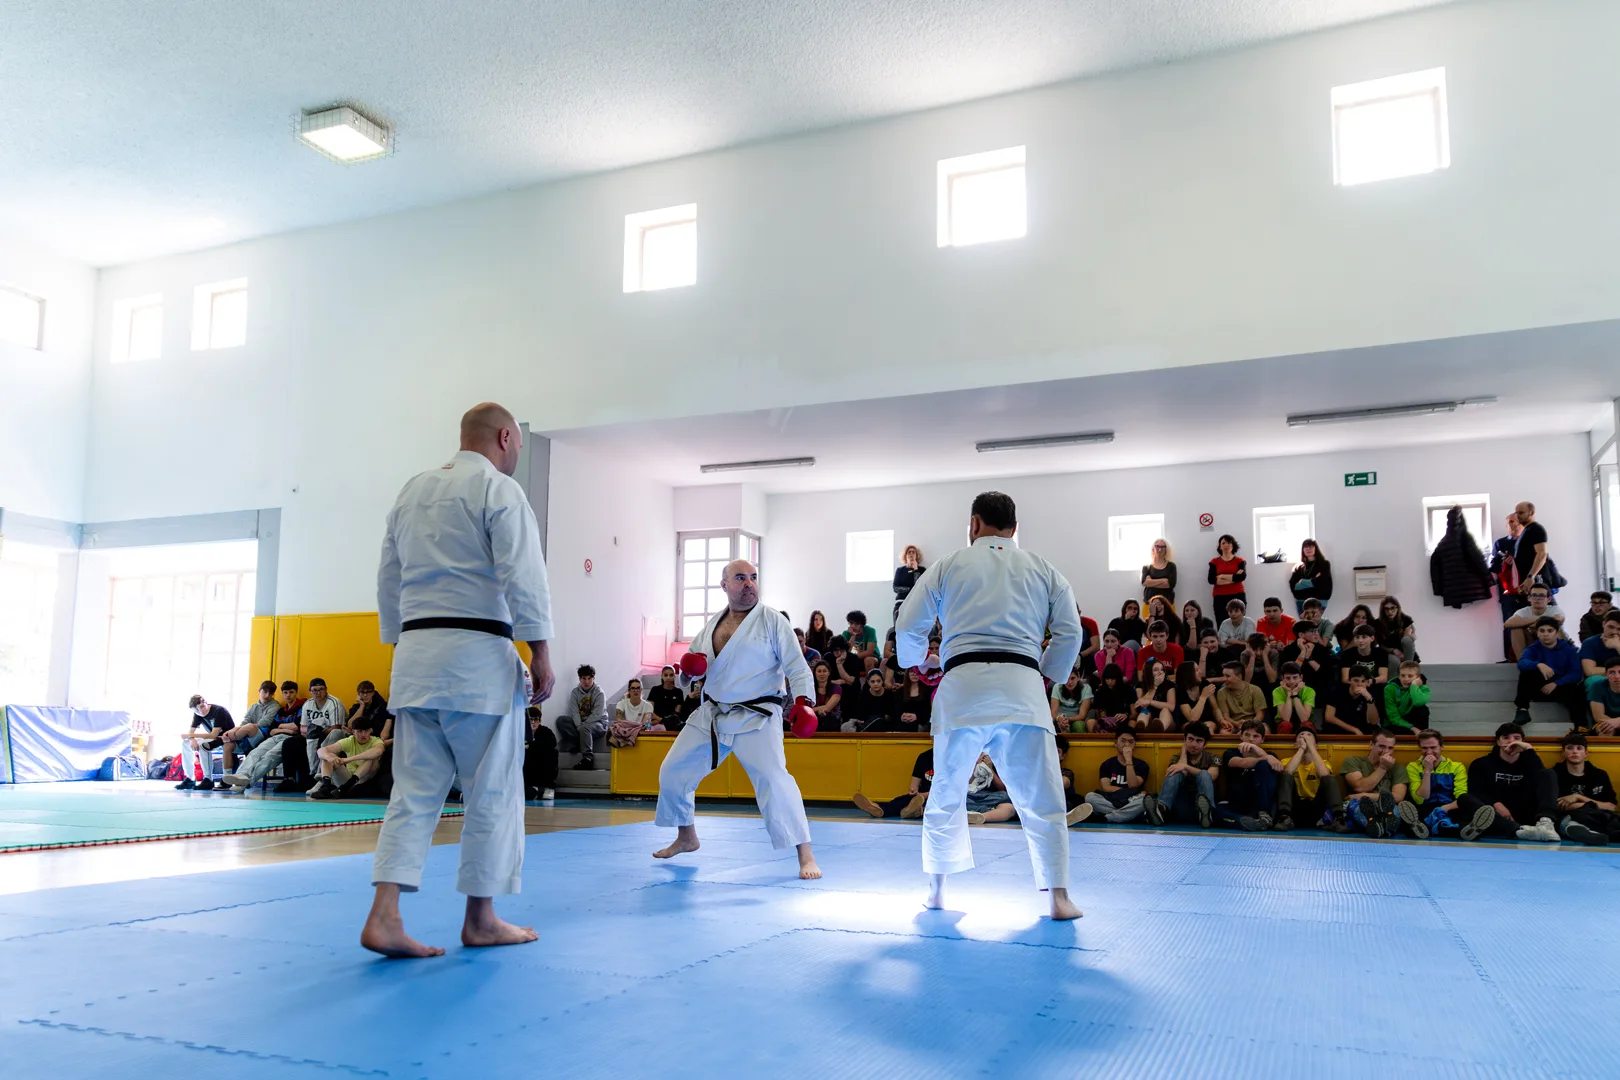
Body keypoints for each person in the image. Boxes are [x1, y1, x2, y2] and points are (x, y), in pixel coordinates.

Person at [363, 401, 555, 959]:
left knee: (412, 793)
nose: (516, 455)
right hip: (477, 661)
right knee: (491, 790)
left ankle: (385, 914)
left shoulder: (413, 490)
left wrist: (402, 646)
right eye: (518, 445)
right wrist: (541, 650)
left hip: (416, 656)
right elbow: (523, 573)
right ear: (505, 437)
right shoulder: (498, 489)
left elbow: (388, 577)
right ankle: (481, 918)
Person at [895, 490, 1084, 920]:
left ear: (974, 524)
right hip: (1022, 687)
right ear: (1014, 528)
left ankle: (937, 891)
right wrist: (1047, 672)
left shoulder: (949, 565)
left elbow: (908, 622)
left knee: (946, 791)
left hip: (963, 687)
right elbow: (1070, 631)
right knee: (1042, 795)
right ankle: (1058, 897)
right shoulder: (1043, 568)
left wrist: (915, 660)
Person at [653, 559, 822, 880]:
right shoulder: (712, 625)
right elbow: (689, 674)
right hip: (714, 713)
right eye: (741, 578)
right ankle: (686, 836)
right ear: (725, 585)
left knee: (774, 780)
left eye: (753, 577)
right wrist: (688, 671)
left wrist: (804, 702)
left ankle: (806, 854)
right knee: (673, 769)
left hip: (758, 716)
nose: (749, 584)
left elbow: (797, 666)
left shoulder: (772, 621)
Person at [1464, 724, 1561, 842]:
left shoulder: (1530, 762)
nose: (1511, 742)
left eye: (1516, 738)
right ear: (1498, 742)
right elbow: (1475, 791)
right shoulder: (1480, 764)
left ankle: (1546, 824)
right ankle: (1518, 831)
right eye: (1506, 738)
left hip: (1526, 812)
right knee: (1464, 799)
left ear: (1523, 742)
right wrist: (1495, 803)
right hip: (1496, 815)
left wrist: (1528, 749)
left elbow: (1542, 780)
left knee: (1548, 773)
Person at [1406, 729, 1495, 841]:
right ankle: (1446, 828)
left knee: (1466, 804)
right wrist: (1427, 771)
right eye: (1424, 748)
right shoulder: (1413, 767)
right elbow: (1420, 799)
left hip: (1450, 807)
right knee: (1414, 817)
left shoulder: (1456, 767)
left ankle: (1438, 828)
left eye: (1433, 747)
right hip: (1426, 807)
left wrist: (1444, 808)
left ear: (1441, 746)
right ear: (1419, 748)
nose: (1429, 752)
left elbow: (1461, 797)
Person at [219, 683, 305, 793]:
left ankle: (246, 783)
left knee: (269, 757)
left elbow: (296, 728)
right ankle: (241, 775)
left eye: (291, 692)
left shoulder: (302, 708)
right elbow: (272, 730)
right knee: (255, 752)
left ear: (296, 693)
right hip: (274, 737)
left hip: (290, 740)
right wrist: (284, 728)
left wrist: (280, 727)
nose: (288, 695)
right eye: (285, 693)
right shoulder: (281, 711)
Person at [1515, 616, 1586, 728]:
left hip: (1560, 688)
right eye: (1542, 631)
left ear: (1556, 633)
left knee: (1577, 690)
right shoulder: (1533, 649)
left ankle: (1580, 727)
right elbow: (1521, 663)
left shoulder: (1569, 650)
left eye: (1550, 631)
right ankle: (1522, 710)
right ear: (1537, 633)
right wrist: (1539, 665)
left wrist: (1556, 683)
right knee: (1526, 673)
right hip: (1540, 689)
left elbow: (1576, 673)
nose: (1546, 634)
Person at [1146, 722, 1220, 828]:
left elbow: (1212, 775)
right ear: (1184, 740)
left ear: (1205, 743)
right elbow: (1182, 771)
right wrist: (1183, 753)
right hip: (1183, 805)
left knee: (1204, 774)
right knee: (1175, 771)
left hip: (1203, 802)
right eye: (1190, 739)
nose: (1194, 744)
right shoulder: (1177, 757)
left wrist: (1186, 767)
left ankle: (1207, 814)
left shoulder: (1212, 757)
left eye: (1199, 741)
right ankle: (1161, 809)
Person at [1338, 728, 1409, 838]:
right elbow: (1359, 787)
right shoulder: (1353, 761)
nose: (1386, 751)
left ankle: (1380, 827)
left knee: (1394, 811)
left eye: (1390, 748)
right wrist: (1383, 768)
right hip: (1360, 805)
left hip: (1386, 807)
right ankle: (1379, 826)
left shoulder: (1398, 768)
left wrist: (1363, 795)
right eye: (1382, 746)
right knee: (1360, 810)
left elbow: (1398, 796)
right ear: (1371, 744)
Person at [1551, 732, 1618, 845]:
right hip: (1569, 818)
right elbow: (1558, 806)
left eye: (1579, 748)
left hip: (1598, 817)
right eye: (1570, 748)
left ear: (1586, 753)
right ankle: (1584, 833)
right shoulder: (1554, 774)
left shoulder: (1599, 775)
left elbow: (1611, 807)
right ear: (1563, 753)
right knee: (1568, 822)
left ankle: (1597, 833)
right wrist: (1593, 805)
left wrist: (1578, 797)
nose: (1575, 752)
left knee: (1611, 822)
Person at [1215, 720, 1282, 831]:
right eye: (1247, 735)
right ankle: (1245, 821)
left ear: (1262, 739)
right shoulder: (1230, 753)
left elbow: (1278, 769)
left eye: (1256, 736)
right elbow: (1241, 762)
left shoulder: (1271, 755)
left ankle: (1263, 815)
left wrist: (1259, 752)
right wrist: (1265, 757)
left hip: (1260, 804)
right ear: (1241, 736)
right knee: (1215, 811)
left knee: (1264, 765)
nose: (1251, 739)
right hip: (1237, 803)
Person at [309, 713, 390, 799]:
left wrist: (348, 759)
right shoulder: (350, 740)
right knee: (328, 756)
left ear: (371, 730)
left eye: (366, 731)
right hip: (347, 781)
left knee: (370, 758)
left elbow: (378, 751)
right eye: (359, 731)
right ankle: (326, 787)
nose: (363, 734)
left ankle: (343, 787)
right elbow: (321, 750)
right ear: (353, 731)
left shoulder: (376, 741)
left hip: (365, 782)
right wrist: (330, 758)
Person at [1275, 729, 1342, 833]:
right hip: (1295, 806)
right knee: (1285, 776)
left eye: (1309, 735)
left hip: (1316, 806)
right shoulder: (1286, 761)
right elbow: (1288, 771)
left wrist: (1311, 747)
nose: (1305, 737)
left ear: (1316, 746)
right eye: (1301, 735)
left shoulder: (1323, 763)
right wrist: (1302, 748)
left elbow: (1324, 774)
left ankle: (1339, 819)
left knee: (1329, 778)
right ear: (1295, 745)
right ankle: (1284, 818)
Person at [1429, 506, 1494, 609]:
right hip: (1474, 589)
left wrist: (1439, 590)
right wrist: (1489, 580)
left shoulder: (1443, 543)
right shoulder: (1466, 537)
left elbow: (1435, 568)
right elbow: (1478, 559)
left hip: (1453, 592)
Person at [1084, 729, 1150, 824]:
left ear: (1135, 745)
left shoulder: (1142, 765)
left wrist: (1128, 760)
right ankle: (1129, 816)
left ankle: (1106, 817)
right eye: (1123, 741)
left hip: (1131, 801)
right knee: (1090, 797)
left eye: (1131, 742)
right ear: (1116, 743)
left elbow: (1133, 785)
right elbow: (1106, 787)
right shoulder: (1107, 764)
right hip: (1112, 800)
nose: (1127, 745)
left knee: (1145, 801)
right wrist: (1127, 792)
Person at [853, 747, 933, 820]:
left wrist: (925, 795)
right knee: (901, 800)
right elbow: (914, 784)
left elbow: (941, 791)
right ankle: (879, 809)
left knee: (931, 804)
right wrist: (913, 791)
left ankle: (916, 811)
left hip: (935, 797)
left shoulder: (941, 760)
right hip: (919, 797)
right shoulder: (924, 757)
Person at [175, 695, 234, 791]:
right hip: (213, 738)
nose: (200, 711)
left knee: (203, 745)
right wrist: (192, 739)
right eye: (196, 710)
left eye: (202, 707)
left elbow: (213, 734)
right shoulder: (198, 713)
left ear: (206, 703)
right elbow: (191, 732)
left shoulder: (219, 711)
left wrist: (190, 736)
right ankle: (190, 778)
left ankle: (208, 779)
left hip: (226, 739)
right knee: (186, 743)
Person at [219, 681, 280, 774]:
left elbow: (265, 723)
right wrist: (235, 729)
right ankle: (226, 777)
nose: (267, 695)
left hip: (263, 735)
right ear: (259, 691)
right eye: (265, 692)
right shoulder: (253, 706)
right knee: (227, 746)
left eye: (271, 693)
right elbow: (245, 721)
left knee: (250, 727)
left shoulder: (275, 706)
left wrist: (237, 730)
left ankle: (221, 740)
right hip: (245, 736)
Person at [557, 665, 608, 769]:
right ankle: (580, 742)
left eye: (589, 678)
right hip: (581, 725)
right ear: (580, 679)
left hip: (598, 724)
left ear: (593, 678)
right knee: (562, 720)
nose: (587, 682)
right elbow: (575, 712)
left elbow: (597, 714)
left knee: (585, 728)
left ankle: (588, 758)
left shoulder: (599, 693)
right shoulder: (575, 692)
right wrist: (579, 726)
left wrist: (583, 726)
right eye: (584, 678)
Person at [1489, 513, 1525, 661]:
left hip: (1528, 590)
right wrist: (1505, 564)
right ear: (1506, 526)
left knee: (1531, 622)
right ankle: (1510, 658)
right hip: (1508, 592)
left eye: (1517, 522)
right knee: (1509, 623)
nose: (1514, 524)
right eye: (1511, 522)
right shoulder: (1500, 544)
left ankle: (1529, 657)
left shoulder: (1531, 543)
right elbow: (1492, 566)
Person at [299, 678, 348, 782]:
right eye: (315, 690)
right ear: (310, 691)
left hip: (333, 734)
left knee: (331, 735)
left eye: (321, 689)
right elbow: (302, 727)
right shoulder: (308, 704)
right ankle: (301, 777)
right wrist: (313, 731)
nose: (318, 693)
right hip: (311, 734)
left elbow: (336, 727)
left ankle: (322, 773)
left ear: (326, 690)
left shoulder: (334, 702)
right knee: (290, 743)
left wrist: (319, 733)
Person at [1280, 621, 1332, 698]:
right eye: (1313, 631)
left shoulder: (1322, 649)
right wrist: (1303, 652)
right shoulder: (1289, 650)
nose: (1317, 634)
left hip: (1318, 689)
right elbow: (1291, 672)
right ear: (1301, 635)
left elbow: (1326, 674)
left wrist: (1309, 658)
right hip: (1294, 689)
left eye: (1317, 631)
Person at [1213, 660, 1266, 735]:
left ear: (1239, 677)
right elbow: (1226, 716)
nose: (1224, 679)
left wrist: (1247, 727)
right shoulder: (1221, 692)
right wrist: (1237, 724)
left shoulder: (1255, 690)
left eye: (1227, 676)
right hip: (1233, 724)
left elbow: (1260, 715)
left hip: (1254, 723)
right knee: (1224, 732)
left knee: (1265, 730)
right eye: (1223, 675)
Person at [1324, 670, 1380, 737]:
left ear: (1368, 682)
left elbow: (1373, 722)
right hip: (1337, 730)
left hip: (1361, 731)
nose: (1359, 684)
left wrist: (1369, 699)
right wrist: (1354, 730)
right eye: (1356, 681)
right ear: (1349, 681)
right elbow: (1329, 717)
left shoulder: (1370, 694)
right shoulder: (1337, 691)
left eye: (1363, 681)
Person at [1336, 624, 1390, 694]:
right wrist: (1360, 684)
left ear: (1372, 638)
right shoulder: (1347, 654)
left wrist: (1370, 681)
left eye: (1364, 637)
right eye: (1357, 637)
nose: (1360, 640)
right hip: (1353, 686)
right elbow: (1345, 679)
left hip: (1372, 685)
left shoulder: (1381, 653)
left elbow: (1383, 677)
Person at [1512, 501, 1550, 596]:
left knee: (1544, 605)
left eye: (1521, 513)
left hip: (1536, 581)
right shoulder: (1526, 531)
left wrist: (1531, 577)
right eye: (1516, 513)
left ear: (1531, 513)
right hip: (1528, 581)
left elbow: (1541, 554)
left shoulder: (1536, 529)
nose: (1518, 516)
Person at [1382, 660, 1432, 733]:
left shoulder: (1425, 689)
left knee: (1423, 709)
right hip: (1395, 723)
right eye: (1402, 675)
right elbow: (1393, 715)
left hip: (1414, 722)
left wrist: (1414, 685)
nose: (1406, 679)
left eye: (1410, 676)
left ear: (1418, 677)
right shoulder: (1390, 688)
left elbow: (1418, 702)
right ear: (1399, 676)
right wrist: (1412, 728)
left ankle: (1423, 735)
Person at [609, 677, 659, 746]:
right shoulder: (621, 703)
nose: (636, 691)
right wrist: (634, 726)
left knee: (647, 726)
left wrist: (632, 726)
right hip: (625, 730)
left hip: (640, 731)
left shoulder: (648, 705)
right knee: (616, 727)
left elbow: (646, 723)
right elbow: (619, 720)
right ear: (629, 691)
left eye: (638, 688)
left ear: (641, 690)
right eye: (633, 688)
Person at [1287, 539, 1333, 615]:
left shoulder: (1324, 564)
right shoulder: (1298, 566)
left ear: (1315, 548)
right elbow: (1293, 585)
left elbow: (1323, 582)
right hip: (1302, 602)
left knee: (1316, 622)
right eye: (1306, 547)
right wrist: (1313, 581)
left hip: (1319, 601)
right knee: (1304, 622)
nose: (1308, 549)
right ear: (1303, 550)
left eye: (1311, 546)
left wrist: (1302, 582)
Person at [1132, 658, 1177, 732]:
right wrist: (1155, 685)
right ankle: (1141, 728)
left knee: (1165, 710)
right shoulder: (1140, 685)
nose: (1160, 672)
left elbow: (1171, 707)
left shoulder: (1169, 685)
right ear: (1148, 672)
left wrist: (1150, 702)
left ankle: (1159, 728)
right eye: (1156, 670)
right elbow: (1142, 704)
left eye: (1162, 669)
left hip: (1168, 720)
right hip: (1149, 718)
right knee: (1144, 711)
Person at [1208, 534, 1247, 618]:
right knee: (1221, 621)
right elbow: (1211, 580)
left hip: (1238, 595)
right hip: (1220, 597)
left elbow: (1241, 577)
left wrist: (1221, 576)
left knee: (1239, 621)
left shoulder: (1240, 561)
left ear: (1233, 545)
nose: (1226, 545)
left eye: (1229, 543)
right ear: (1220, 546)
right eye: (1223, 543)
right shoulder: (1214, 562)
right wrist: (1234, 578)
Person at [1271, 661, 1315, 735]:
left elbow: (1304, 718)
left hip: (1303, 720)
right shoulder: (1277, 691)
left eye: (1295, 677)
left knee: (1306, 724)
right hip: (1284, 722)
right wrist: (1289, 693)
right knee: (1285, 725)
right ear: (1282, 678)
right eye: (1288, 678)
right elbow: (1286, 718)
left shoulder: (1309, 691)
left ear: (1301, 677)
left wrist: (1295, 693)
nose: (1292, 681)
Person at [523, 707, 558, 801]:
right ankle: (533, 789)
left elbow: (552, 743)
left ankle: (549, 787)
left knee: (552, 753)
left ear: (539, 721)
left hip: (541, 764)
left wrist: (530, 746)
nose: (533, 722)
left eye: (536, 719)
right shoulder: (521, 731)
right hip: (527, 767)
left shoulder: (545, 731)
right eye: (531, 719)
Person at [1579, 611, 1620, 689]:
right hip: (1600, 678)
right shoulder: (1589, 643)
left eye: (1619, 629)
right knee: (1594, 681)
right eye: (1610, 627)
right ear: (1603, 624)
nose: (1614, 632)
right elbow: (1590, 671)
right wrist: (1615, 673)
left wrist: (1618, 647)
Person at [1089, 663, 1134, 733]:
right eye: (1107, 678)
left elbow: (1134, 713)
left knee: (1132, 723)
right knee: (1092, 722)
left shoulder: (1128, 690)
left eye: (1113, 678)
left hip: (1124, 721)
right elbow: (1101, 715)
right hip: (1106, 723)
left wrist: (1126, 715)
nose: (1109, 681)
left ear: (1118, 678)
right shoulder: (1099, 692)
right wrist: (1109, 720)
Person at [1174, 661, 1218, 730]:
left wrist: (1221, 720)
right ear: (1188, 674)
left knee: (1208, 726)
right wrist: (1203, 697)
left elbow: (1215, 708)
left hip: (1208, 722)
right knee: (1195, 728)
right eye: (1197, 670)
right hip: (1189, 724)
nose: (1200, 672)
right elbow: (1192, 719)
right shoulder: (1180, 691)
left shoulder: (1205, 684)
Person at [1049, 667, 1091, 733]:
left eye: (1072, 678)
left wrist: (1069, 719)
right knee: (1054, 725)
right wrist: (1059, 718)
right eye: (1066, 678)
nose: (1069, 682)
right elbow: (1054, 712)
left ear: (1078, 677)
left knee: (1079, 726)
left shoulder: (1086, 688)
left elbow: (1082, 715)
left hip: (1077, 719)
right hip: (1060, 719)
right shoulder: (1057, 687)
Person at [891, 667, 933, 734]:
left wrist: (917, 717)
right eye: (911, 672)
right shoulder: (900, 691)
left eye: (917, 672)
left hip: (920, 723)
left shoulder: (928, 691)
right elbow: (895, 709)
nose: (914, 674)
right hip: (902, 722)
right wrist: (901, 716)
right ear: (907, 674)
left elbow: (929, 711)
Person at [1375, 597, 1417, 661]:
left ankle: (1408, 664)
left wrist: (1411, 635)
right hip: (1388, 651)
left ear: (1398, 608)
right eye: (1386, 609)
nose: (1390, 611)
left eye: (1393, 608)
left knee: (1407, 639)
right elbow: (1381, 644)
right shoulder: (1377, 623)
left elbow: (1408, 639)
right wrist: (1393, 650)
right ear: (1382, 610)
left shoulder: (1405, 619)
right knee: (1394, 661)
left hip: (1404, 650)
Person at [1588, 657, 1620, 735]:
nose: (1617, 676)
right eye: (1612, 672)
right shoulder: (1598, 686)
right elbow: (1599, 716)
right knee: (1605, 730)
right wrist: (1612, 724)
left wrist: (1617, 722)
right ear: (1606, 675)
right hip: (1606, 723)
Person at [893, 545, 926, 618]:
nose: (911, 554)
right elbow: (895, 588)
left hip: (916, 602)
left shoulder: (922, 570)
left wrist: (916, 570)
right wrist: (911, 589)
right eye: (909, 552)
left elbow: (920, 587)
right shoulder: (900, 570)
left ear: (916, 556)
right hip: (901, 602)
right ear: (905, 556)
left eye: (913, 552)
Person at [647, 666, 685, 731]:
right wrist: (658, 720)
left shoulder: (678, 692)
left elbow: (677, 712)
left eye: (671, 675)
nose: (668, 678)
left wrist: (662, 721)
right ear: (662, 676)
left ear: (674, 676)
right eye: (666, 675)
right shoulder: (655, 690)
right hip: (655, 721)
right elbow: (650, 709)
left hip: (671, 723)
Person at [809, 660, 843, 731]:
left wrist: (809, 710)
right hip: (814, 719)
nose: (822, 674)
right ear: (815, 673)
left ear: (829, 673)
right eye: (819, 671)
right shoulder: (810, 688)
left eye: (824, 671)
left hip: (832, 721)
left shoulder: (836, 688)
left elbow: (828, 707)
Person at [1141, 540, 1177, 605]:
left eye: (1162, 547)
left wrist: (1151, 582)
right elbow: (1144, 582)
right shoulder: (1147, 566)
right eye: (1157, 546)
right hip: (1149, 603)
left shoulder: (1171, 566)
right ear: (1153, 548)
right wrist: (1163, 580)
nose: (1160, 550)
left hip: (1167, 604)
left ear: (1166, 549)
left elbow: (1171, 584)